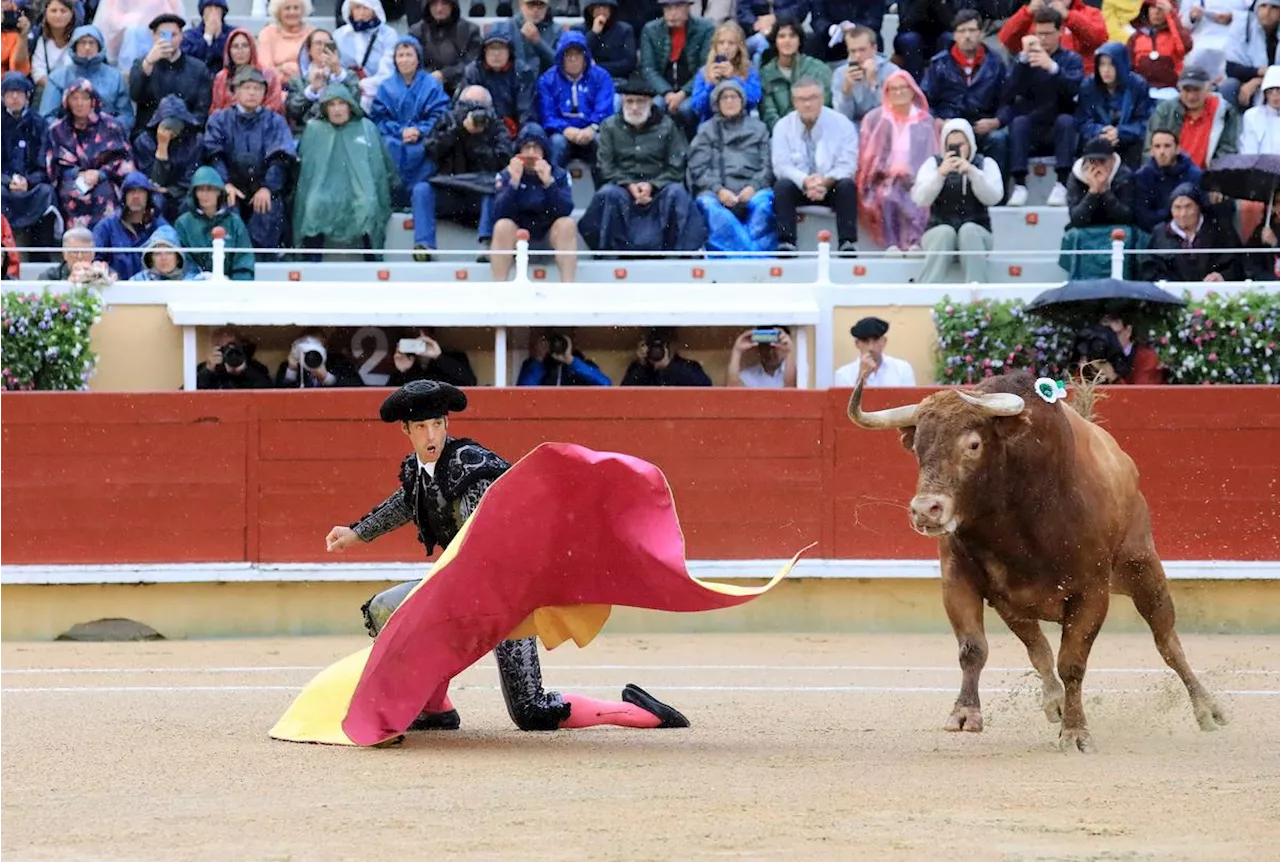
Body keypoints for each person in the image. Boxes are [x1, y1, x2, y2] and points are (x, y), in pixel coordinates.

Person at [325, 380, 690, 733]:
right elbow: (405, 502)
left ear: (447, 423)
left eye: (437, 424)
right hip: (466, 593)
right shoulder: (419, 472)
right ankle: (436, 709)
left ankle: (640, 713)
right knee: (386, 610)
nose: (431, 435)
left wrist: (447, 598)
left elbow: (480, 545)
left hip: (509, 598)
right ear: (406, 429)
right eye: (421, 427)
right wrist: (356, 533)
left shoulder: (471, 466)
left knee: (531, 711)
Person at [579, 73, 707, 255]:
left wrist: (652, 185)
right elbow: (605, 167)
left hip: (659, 190)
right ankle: (611, 254)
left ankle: (677, 255)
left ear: (650, 103)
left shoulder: (667, 126)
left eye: (640, 102)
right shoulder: (609, 127)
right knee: (607, 194)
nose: (635, 107)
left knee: (677, 193)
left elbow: (676, 165)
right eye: (630, 102)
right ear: (623, 102)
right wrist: (629, 185)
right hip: (621, 189)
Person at [293, 84, 396, 258]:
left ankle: (371, 260)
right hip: (323, 191)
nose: (337, 109)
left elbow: (379, 169)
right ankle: (311, 263)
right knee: (313, 207)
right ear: (325, 108)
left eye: (341, 103)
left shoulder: (366, 127)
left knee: (368, 206)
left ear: (350, 105)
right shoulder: (314, 129)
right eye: (331, 105)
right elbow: (306, 174)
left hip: (360, 191)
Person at [1000, 8, 1084, 208]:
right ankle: (1020, 185)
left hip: (1059, 126)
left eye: (1048, 33)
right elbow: (1008, 93)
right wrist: (1022, 60)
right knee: (1019, 122)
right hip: (1033, 126)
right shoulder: (1025, 60)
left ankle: (1062, 184)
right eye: (1039, 34)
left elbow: (1074, 92)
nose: (1043, 38)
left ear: (1059, 32)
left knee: (1066, 121)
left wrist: (1053, 68)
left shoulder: (1071, 60)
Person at [771, 76, 859, 254]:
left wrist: (824, 182)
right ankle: (787, 243)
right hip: (800, 186)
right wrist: (806, 181)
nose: (808, 104)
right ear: (794, 101)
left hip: (831, 185)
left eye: (812, 98)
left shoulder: (842, 124)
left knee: (847, 185)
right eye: (802, 99)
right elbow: (781, 166)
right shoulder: (782, 126)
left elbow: (847, 164)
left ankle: (847, 243)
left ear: (822, 98)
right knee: (782, 186)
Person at [687, 79, 775, 255]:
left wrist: (753, 187)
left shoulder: (759, 128)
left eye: (734, 97)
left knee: (765, 203)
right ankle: (751, 257)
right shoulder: (706, 130)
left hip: (753, 190)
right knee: (708, 205)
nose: (729, 101)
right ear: (716, 103)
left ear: (742, 100)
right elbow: (698, 168)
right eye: (724, 98)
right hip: (716, 192)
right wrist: (719, 190)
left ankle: (744, 254)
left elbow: (768, 165)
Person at [911, 117, 1003, 284]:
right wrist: (940, 175)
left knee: (968, 231)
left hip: (978, 232)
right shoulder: (933, 164)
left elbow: (994, 197)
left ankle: (977, 296)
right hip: (938, 230)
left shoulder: (985, 164)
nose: (957, 149)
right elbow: (921, 199)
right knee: (944, 233)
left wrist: (973, 173)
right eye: (951, 146)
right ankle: (927, 293)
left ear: (970, 143)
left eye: (961, 144)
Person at [856, 70, 938, 253]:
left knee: (917, 197)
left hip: (917, 178)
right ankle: (891, 244)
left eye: (903, 88)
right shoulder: (875, 119)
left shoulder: (925, 122)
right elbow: (868, 156)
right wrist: (889, 170)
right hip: (882, 178)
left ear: (912, 91)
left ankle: (914, 242)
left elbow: (932, 154)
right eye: (893, 89)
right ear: (886, 92)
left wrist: (911, 173)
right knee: (888, 194)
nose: (899, 93)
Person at [490, 123, 578, 282]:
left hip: (548, 234)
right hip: (517, 235)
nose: (531, 153)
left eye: (536, 148)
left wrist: (549, 184)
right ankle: (499, 287)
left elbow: (565, 209)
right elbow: (498, 212)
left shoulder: (559, 175)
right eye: (527, 147)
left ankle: (568, 287)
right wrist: (513, 183)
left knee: (567, 224)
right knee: (502, 226)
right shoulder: (506, 174)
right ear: (519, 151)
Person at [537, 30, 614, 170]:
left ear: (585, 57)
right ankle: (553, 184)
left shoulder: (601, 77)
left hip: (592, 131)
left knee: (602, 142)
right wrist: (565, 129)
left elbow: (605, 107)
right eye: (568, 54)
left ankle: (604, 187)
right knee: (556, 143)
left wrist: (592, 127)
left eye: (578, 54)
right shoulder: (547, 80)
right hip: (561, 133)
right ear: (560, 57)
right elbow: (547, 114)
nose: (573, 59)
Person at [0, 72, 59, 254]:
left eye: (19, 92)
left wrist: (29, 181)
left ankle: (40, 256)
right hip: (3, 183)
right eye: (10, 92)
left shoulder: (39, 124)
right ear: (2, 97)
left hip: (32, 185)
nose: (15, 97)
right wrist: (6, 180)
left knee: (46, 194)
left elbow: (46, 165)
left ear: (28, 96)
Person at [1140, 181, 1242, 281]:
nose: (1183, 214)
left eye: (1188, 206)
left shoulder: (1219, 230)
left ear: (1198, 207)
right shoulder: (1160, 234)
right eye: (1177, 208)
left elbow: (1237, 262)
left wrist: (1222, 276)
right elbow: (1150, 268)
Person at [1143, 65, 1240, 168]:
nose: (1191, 96)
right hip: (1169, 175)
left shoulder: (1225, 112)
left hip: (1207, 177)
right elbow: (1150, 150)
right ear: (1179, 89)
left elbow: (1226, 152)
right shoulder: (1165, 111)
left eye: (1196, 90)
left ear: (1208, 89)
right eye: (1186, 90)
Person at [1078, 43, 1152, 169]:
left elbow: (1144, 122)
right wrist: (1100, 131)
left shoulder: (1137, 85)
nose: (1106, 70)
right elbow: (1082, 122)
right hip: (1098, 141)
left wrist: (1120, 133)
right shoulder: (1089, 86)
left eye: (1111, 64)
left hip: (1128, 142)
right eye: (1102, 64)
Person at [175, 165, 255, 280]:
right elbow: (183, 262)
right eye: (200, 189)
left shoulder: (234, 222)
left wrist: (236, 287)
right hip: (195, 290)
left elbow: (244, 261)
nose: (205, 194)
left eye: (210, 189)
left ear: (219, 191)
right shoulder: (183, 224)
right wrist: (200, 280)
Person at [759, 16, 831, 131]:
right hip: (781, 134)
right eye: (782, 36)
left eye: (792, 36)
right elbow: (768, 113)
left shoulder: (817, 68)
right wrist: (787, 134)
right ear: (775, 41)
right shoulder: (766, 74)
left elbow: (825, 105)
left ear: (799, 40)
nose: (787, 40)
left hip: (817, 130)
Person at [687, 20, 762, 126]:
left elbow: (755, 100)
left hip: (742, 125)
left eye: (731, 43)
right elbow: (698, 108)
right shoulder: (704, 71)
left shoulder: (748, 69)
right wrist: (710, 85)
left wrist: (734, 78)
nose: (726, 47)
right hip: (712, 127)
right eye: (721, 43)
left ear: (739, 47)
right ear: (715, 46)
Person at [1133, 127, 1201, 232]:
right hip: (1155, 232)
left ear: (1178, 149)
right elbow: (1143, 218)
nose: (1162, 151)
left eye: (1167, 146)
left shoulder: (1195, 174)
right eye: (1157, 146)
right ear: (1151, 151)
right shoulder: (1142, 176)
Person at [833, 23, 899, 129]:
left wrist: (873, 84)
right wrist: (846, 91)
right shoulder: (840, 74)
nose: (858, 55)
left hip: (884, 128)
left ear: (874, 48)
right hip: (854, 130)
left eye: (862, 50)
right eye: (853, 51)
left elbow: (893, 113)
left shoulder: (891, 71)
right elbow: (842, 118)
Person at [832, 317, 917, 387]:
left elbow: (909, 404)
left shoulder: (902, 369)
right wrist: (862, 377)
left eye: (875, 340)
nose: (871, 347)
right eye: (865, 341)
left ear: (884, 341)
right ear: (857, 344)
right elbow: (845, 405)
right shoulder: (843, 374)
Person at [621, 327, 712, 385]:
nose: (658, 349)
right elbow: (624, 397)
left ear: (674, 344)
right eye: (654, 345)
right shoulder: (638, 368)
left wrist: (669, 367)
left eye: (664, 344)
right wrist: (641, 366)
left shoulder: (689, 367)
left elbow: (706, 389)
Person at [517, 329, 612, 385]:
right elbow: (523, 394)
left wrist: (571, 361)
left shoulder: (583, 366)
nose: (558, 345)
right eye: (554, 341)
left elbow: (605, 384)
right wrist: (539, 359)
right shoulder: (535, 365)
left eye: (563, 341)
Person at [197, 326, 274, 389]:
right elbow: (188, 394)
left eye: (231, 346)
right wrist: (208, 371)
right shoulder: (205, 368)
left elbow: (269, 390)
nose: (228, 350)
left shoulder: (255, 367)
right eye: (222, 347)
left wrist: (244, 371)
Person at [127, 224, 209, 280]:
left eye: (169, 252)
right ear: (151, 258)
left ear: (177, 257)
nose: (163, 258)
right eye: (157, 253)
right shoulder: (138, 282)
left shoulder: (196, 280)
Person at [725, 327, 796, 388]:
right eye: (765, 346)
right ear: (758, 348)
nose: (771, 352)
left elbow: (790, 393)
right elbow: (732, 393)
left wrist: (789, 352)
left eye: (776, 347)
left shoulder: (796, 373)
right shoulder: (749, 376)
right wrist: (737, 351)